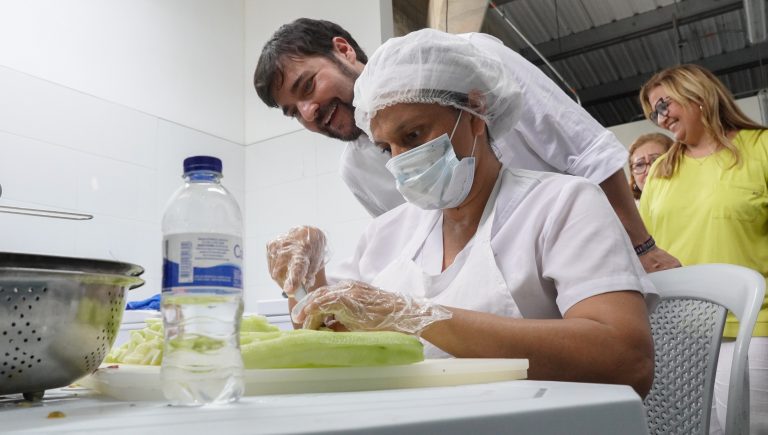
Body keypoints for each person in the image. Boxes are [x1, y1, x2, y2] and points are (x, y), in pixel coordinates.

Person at [267, 28, 657, 397]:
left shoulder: (562, 204)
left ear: (473, 112)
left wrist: (417, 316)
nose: (402, 162)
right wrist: (306, 280)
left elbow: (626, 361)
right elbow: (325, 344)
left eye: (414, 136)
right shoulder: (387, 235)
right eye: (387, 149)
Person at [253, 18, 680, 273]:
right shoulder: (356, 170)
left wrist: (641, 247)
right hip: (496, 295)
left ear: (476, 115)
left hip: (589, 258)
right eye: (294, 112)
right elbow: (417, 243)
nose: (308, 112)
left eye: (307, 86)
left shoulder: (462, 64)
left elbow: (583, 150)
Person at [639, 63, 768, 433]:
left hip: (751, 326)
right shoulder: (662, 170)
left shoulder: (760, 149)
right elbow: (645, 247)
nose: (660, 119)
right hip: (677, 333)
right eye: (652, 113)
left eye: (664, 105)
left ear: (697, 93)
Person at [627, 133, 673, 201]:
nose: (649, 170)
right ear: (633, 175)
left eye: (656, 161)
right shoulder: (628, 210)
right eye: (640, 165)